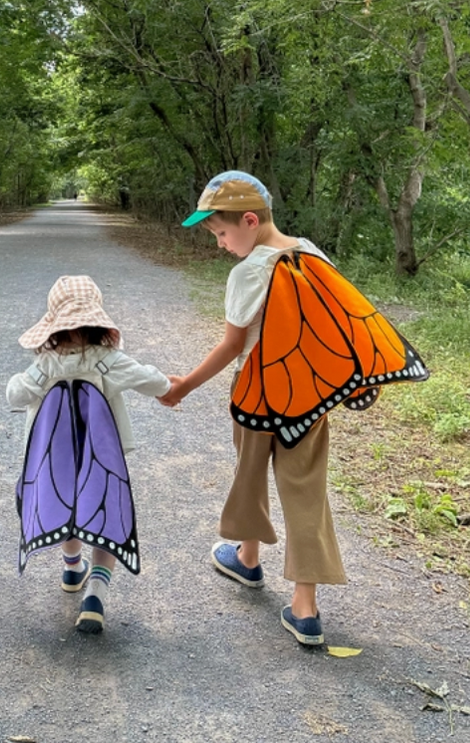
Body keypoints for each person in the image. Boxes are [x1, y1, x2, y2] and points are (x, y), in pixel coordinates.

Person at [158, 171, 346, 646]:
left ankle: (247, 559)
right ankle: (305, 608)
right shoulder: (312, 254)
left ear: (249, 220)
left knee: (249, 469)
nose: (221, 244)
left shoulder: (248, 272)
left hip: (257, 390)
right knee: (306, 489)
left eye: (222, 233)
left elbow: (231, 346)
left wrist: (184, 386)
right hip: (308, 394)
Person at [7, 275, 170, 634]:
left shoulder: (45, 363)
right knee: (103, 514)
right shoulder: (108, 359)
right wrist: (170, 386)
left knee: (68, 507)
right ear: (98, 322)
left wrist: (20, 383)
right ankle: (95, 593)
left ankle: (71, 567)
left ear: (54, 325)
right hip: (102, 458)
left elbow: (16, 395)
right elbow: (153, 382)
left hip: (56, 460)